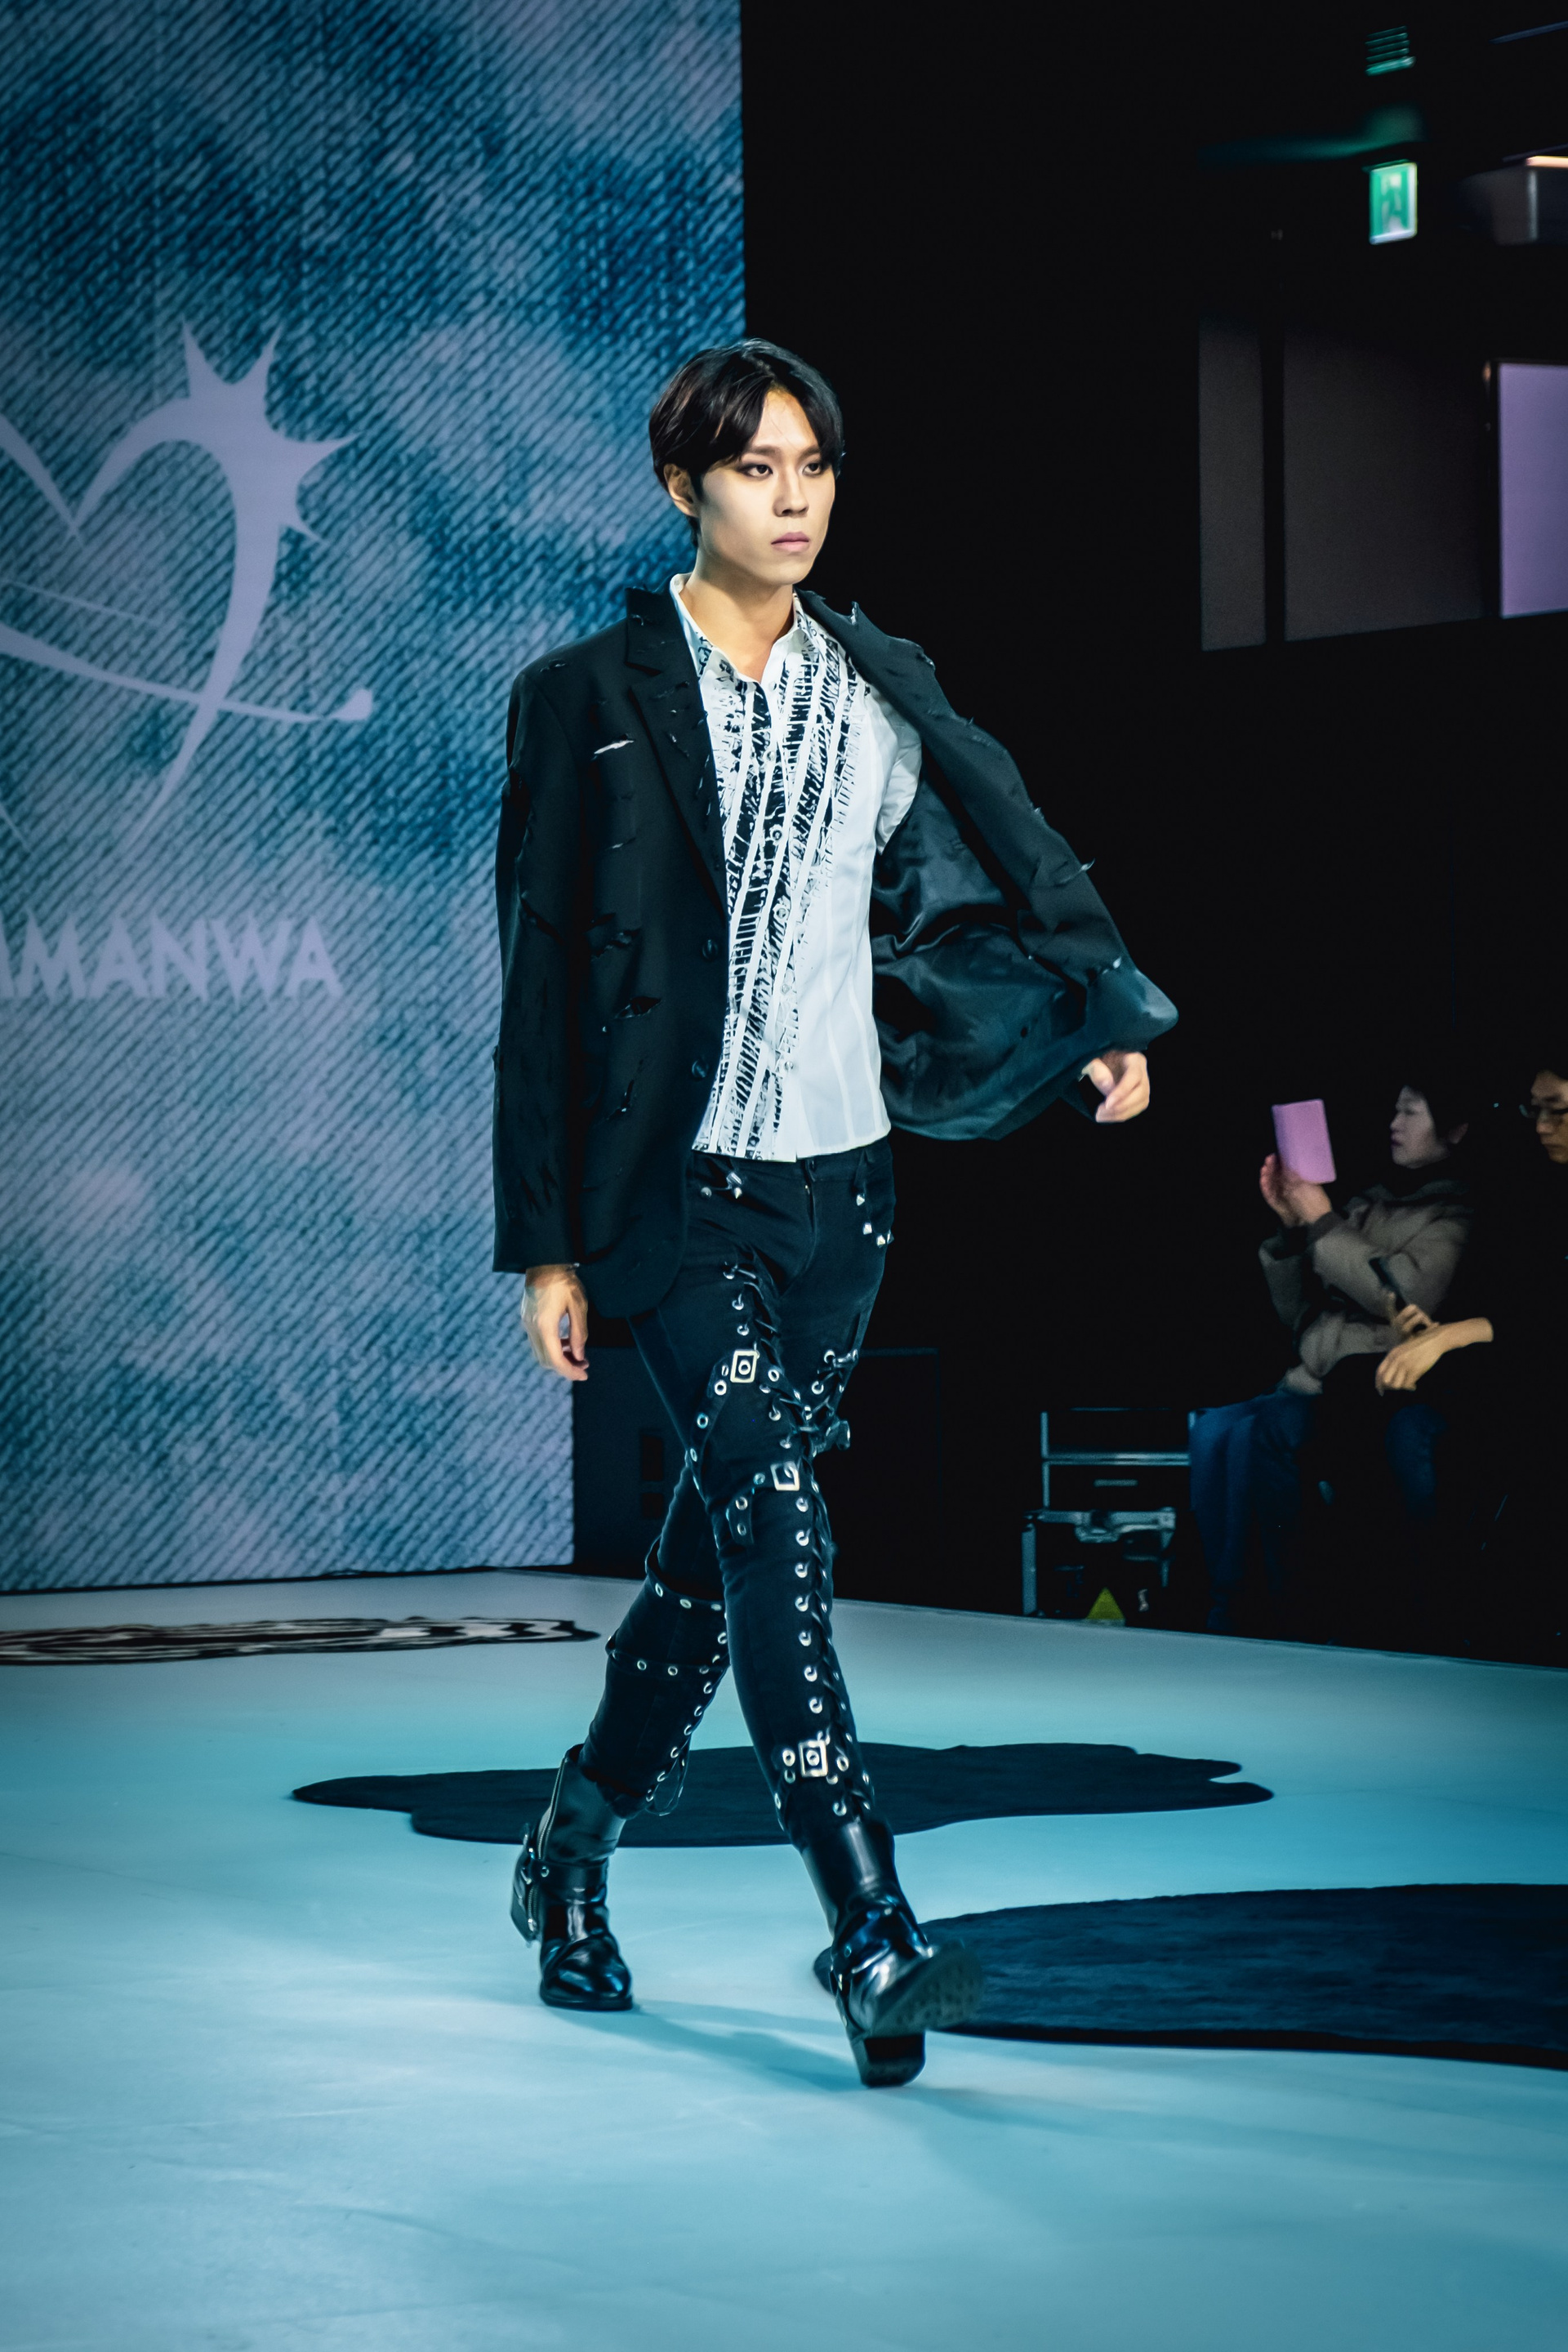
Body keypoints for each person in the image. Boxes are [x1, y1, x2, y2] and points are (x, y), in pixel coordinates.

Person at [492, 339, 1175, 2085]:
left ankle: (571, 1847)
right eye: (756, 469)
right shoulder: (587, 695)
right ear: (683, 488)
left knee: (717, 1565)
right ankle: (870, 1925)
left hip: (844, 1189)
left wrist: (1088, 1019)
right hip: (677, 1194)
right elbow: (542, 981)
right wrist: (546, 1241)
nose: (792, 500)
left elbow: (986, 874)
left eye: (815, 468)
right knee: (781, 1535)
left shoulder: (879, 683)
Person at [1192, 1070, 1475, 1635]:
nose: (1394, 1124)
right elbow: (1301, 1316)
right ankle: (1222, 1598)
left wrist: (1322, 1221)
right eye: (1394, 1110)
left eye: (1411, 1112)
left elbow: (1407, 1295)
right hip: (1311, 1376)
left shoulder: (1454, 1215)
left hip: (1367, 1388)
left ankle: (1263, 1614)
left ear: (1455, 1130)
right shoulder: (1370, 1201)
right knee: (1212, 1430)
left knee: (1255, 1435)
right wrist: (1292, 1231)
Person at [1374, 1046, 1568, 1651]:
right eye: (1533, 1111)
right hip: (1508, 1390)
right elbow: (1510, 1301)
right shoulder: (1533, 1192)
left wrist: (1453, 1335)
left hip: (1544, 1404)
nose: (1542, 1127)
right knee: (1405, 1424)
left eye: (1557, 1111)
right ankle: (1434, 1635)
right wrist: (1431, 1329)